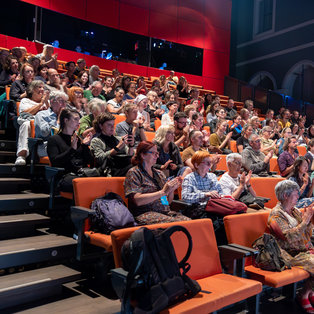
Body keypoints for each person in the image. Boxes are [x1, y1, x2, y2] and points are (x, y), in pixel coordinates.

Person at [268, 180, 313, 313]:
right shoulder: (276, 214)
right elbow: (287, 238)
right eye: (295, 194)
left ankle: (310, 293)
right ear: (285, 196)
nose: (298, 197)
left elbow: (306, 233)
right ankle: (304, 294)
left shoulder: (294, 211)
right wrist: (305, 221)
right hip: (289, 253)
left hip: (302, 250)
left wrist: (310, 221)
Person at [124, 141, 190, 225]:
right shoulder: (134, 173)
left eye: (157, 153)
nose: (157, 156)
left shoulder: (159, 174)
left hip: (164, 213)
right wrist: (162, 192)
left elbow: (167, 202)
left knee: (191, 222)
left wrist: (171, 189)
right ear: (143, 155)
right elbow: (137, 200)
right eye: (153, 153)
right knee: (180, 224)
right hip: (144, 214)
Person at [47, 108, 92, 192]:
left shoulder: (79, 139)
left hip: (82, 173)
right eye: (75, 119)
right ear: (66, 120)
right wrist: (72, 149)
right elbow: (55, 162)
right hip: (64, 176)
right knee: (85, 185)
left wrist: (85, 146)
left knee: (100, 182)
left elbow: (89, 161)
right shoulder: (54, 139)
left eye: (79, 119)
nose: (79, 122)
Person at [15, 80, 50, 165]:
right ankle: (21, 154)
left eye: (43, 87)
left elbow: (51, 114)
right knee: (26, 124)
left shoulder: (47, 102)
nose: (42, 89)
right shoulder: (25, 101)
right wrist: (40, 104)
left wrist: (45, 103)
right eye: (39, 87)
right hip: (30, 121)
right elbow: (24, 113)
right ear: (32, 90)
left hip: (44, 124)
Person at [34, 90, 67, 157]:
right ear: (52, 101)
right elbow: (44, 133)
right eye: (61, 101)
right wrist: (58, 120)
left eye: (65, 102)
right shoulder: (42, 115)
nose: (64, 104)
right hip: (46, 146)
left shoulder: (67, 116)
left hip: (63, 145)